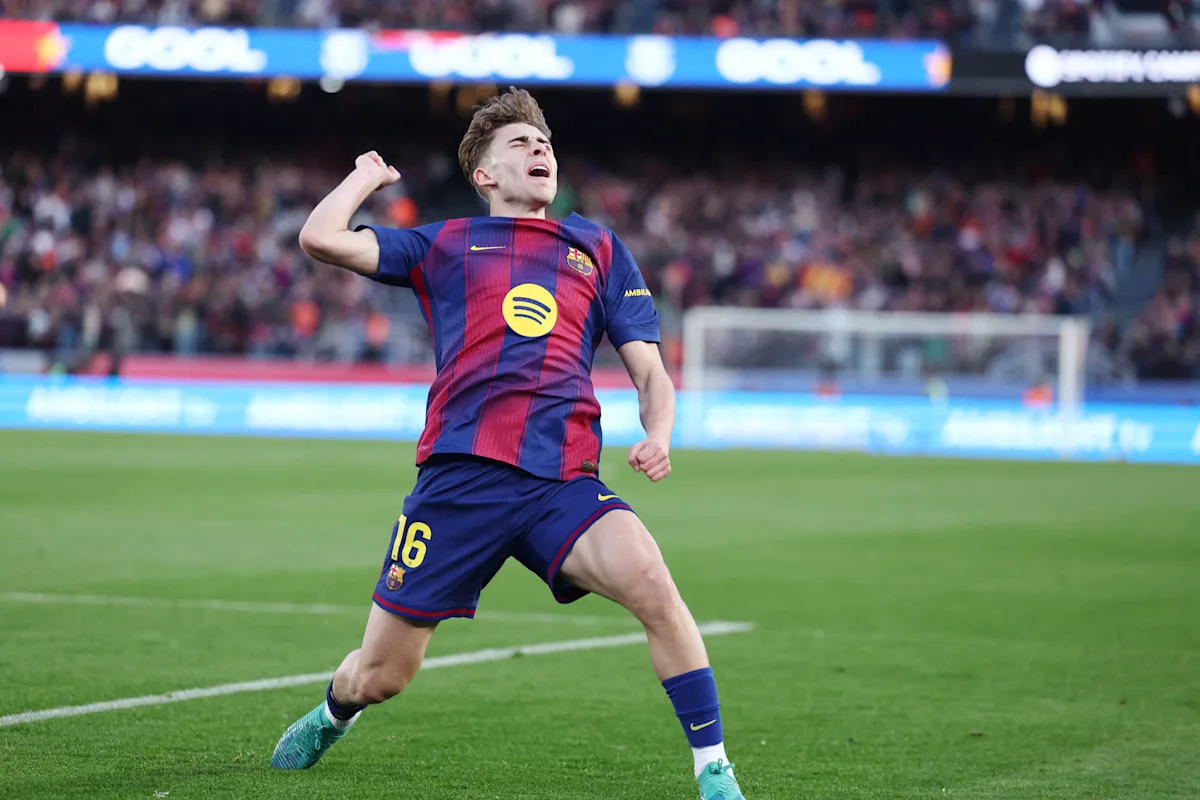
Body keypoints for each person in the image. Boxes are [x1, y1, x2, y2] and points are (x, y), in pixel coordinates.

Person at [269, 87, 747, 800]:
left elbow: (650, 372)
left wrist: (659, 432)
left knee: (653, 583)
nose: (539, 149)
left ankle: (714, 770)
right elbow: (321, 238)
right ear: (485, 175)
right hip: (460, 482)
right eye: (520, 143)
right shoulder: (444, 244)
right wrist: (364, 179)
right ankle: (336, 710)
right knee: (383, 675)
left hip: (562, 481)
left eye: (544, 141)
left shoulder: (599, 249)